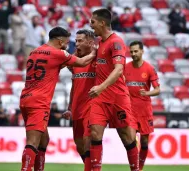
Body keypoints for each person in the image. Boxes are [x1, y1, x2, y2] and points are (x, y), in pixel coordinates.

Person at [19, 26, 96, 171]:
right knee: (33, 142)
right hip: (39, 101)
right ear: (60, 41)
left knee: (44, 140)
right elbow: (82, 62)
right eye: (67, 43)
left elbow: (60, 65)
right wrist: (94, 52)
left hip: (25, 98)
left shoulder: (34, 52)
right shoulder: (58, 53)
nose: (68, 46)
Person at [89, 8, 138, 171]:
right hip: (100, 98)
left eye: (93, 22)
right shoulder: (101, 43)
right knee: (95, 134)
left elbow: (118, 70)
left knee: (128, 138)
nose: (91, 25)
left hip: (117, 96)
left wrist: (101, 87)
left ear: (103, 23)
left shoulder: (116, 42)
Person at [62, 29, 95, 171]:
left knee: (88, 141)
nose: (76, 43)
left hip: (92, 107)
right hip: (77, 108)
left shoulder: (98, 59)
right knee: (79, 144)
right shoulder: (75, 62)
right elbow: (74, 86)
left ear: (90, 42)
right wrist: (70, 107)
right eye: (76, 41)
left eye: (80, 40)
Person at [125, 41, 160, 171]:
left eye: (136, 51)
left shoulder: (149, 68)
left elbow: (157, 90)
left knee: (144, 142)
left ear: (142, 51)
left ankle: (140, 168)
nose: (133, 54)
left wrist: (147, 93)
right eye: (131, 51)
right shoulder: (125, 67)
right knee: (131, 140)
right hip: (130, 110)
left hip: (145, 110)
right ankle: (134, 168)